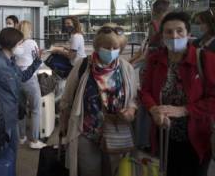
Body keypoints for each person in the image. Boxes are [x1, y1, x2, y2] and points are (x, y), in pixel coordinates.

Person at [141, 12, 215, 176]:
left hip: (196, 140)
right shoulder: (155, 59)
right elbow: (145, 91)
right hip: (164, 136)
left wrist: (185, 110)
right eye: (168, 32)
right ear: (162, 35)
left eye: (179, 30)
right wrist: (153, 109)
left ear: (188, 33)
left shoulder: (206, 60)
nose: (174, 36)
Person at [59, 26, 137, 176]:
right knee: (90, 171)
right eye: (107, 47)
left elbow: (133, 99)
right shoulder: (82, 66)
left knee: (114, 171)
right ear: (97, 46)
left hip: (116, 131)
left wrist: (131, 110)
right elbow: (67, 98)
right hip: (86, 132)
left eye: (116, 47)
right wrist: (64, 123)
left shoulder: (126, 69)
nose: (111, 51)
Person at [0, 27, 42, 159]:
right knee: (2, 154)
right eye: (20, 43)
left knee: (12, 152)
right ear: (12, 44)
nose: (22, 46)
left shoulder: (11, 62)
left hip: (12, 115)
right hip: (1, 118)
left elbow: (22, 77)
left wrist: (36, 62)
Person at [15, 20, 47, 149]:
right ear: (29, 30)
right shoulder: (31, 43)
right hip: (29, 78)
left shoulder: (16, 45)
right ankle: (34, 140)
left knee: (20, 109)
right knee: (35, 110)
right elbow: (36, 59)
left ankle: (21, 137)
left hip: (17, 79)